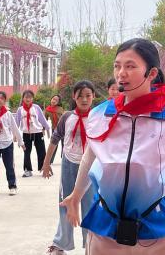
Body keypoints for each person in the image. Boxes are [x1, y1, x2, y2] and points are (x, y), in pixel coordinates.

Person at [60, 38, 165, 254]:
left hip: (155, 226)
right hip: (104, 225)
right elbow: (89, 158)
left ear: (152, 73)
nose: (121, 73)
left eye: (130, 66)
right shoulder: (100, 114)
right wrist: (76, 195)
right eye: (117, 66)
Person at [43, 80, 98, 255]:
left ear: (93, 96)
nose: (84, 99)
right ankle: (61, 243)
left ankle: (91, 244)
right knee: (65, 203)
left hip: (90, 167)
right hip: (69, 164)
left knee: (90, 205)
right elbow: (55, 139)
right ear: (74, 97)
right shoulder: (67, 116)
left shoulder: (98, 117)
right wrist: (46, 163)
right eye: (80, 96)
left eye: (88, 95)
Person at [0, 91, 24, 196]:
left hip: (6, 143)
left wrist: (21, 141)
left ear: (4, 101)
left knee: (9, 166)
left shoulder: (8, 114)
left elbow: (14, 128)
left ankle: (12, 186)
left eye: (2, 98)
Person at [15, 89, 51, 177]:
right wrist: (15, 135)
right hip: (26, 134)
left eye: (30, 97)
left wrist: (47, 128)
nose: (28, 99)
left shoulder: (36, 107)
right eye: (26, 97)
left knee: (41, 151)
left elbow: (42, 119)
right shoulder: (20, 110)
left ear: (33, 98)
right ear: (23, 98)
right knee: (26, 152)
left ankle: (43, 168)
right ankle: (28, 170)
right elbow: (16, 122)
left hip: (38, 132)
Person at [45, 94, 65, 164]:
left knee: (64, 144)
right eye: (53, 99)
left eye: (56, 100)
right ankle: (50, 160)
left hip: (63, 129)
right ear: (51, 99)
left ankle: (64, 159)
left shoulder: (60, 109)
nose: (54, 101)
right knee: (53, 144)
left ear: (58, 102)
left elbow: (64, 118)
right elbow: (44, 120)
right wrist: (43, 129)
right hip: (54, 129)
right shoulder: (47, 109)